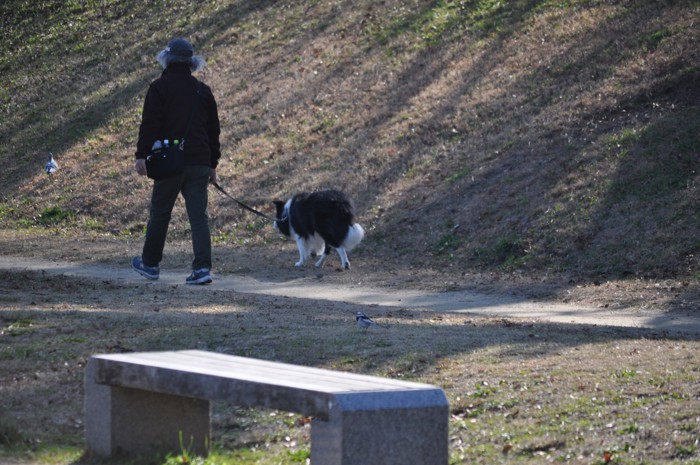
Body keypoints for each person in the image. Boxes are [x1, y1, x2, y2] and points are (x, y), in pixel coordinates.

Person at [132, 38, 221, 285]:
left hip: (169, 161)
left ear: (167, 59)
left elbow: (150, 124)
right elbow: (213, 131)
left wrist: (141, 155)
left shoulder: (159, 88)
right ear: (191, 62)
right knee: (199, 218)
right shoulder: (203, 90)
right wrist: (213, 164)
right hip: (200, 161)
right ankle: (202, 269)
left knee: (160, 214)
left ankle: (150, 264)